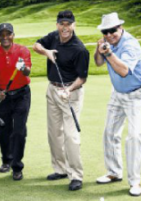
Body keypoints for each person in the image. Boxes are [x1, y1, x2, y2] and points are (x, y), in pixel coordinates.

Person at [94, 12, 141, 196]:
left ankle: (135, 182)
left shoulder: (130, 45)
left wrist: (108, 52)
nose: (110, 34)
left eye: (113, 30)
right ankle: (113, 172)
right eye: (106, 31)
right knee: (109, 133)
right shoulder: (106, 43)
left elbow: (124, 71)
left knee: (134, 136)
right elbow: (97, 63)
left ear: (120, 28)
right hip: (118, 94)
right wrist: (99, 49)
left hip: (138, 94)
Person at [33, 10, 89, 191]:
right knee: (54, 132)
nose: (65, 28)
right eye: (62, 24)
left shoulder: (79, 49)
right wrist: (46, 52)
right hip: (52, 90)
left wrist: (69, 89)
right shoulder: (53, 37)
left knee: (71, 136)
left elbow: (82, 78)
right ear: (57, 24)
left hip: (71, 93)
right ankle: (61, 169)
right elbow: (36, 46)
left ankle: (76, 175)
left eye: (68, 24)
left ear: (74, 25)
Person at [0, 23, 31, 181]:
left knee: (19, 131)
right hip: (3, 96)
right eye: (2, 34)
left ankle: (17, 167)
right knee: (4, 129)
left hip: (21, 95)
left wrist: (22, 66)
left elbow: (27, 72)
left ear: (13, 35)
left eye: (8, 34)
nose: (5, 37)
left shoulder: (22, 50)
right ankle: (6, 160)